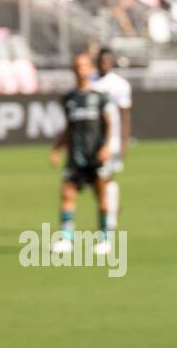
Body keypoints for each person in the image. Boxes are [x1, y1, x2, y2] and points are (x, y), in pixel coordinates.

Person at [49, 53, 115, 256]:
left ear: (90, 69)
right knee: (67, 193)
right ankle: (67, 238)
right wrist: (57, 149)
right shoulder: (69, 98)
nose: (80, 69)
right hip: (76, 155)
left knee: (101, 195)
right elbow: (69, 127)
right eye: (77, 65)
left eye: (84, 65)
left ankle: (105, 237)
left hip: (95, 154)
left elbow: (109, 123)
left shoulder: (100, 96)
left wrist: (106, 147)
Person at [91, 48, 132, 243]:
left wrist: (124, 140)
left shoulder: (119, 85)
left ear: (112, 63)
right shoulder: (90, 81)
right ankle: (112, 210)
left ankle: (110, 219)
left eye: (107, 61)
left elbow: (124, 114)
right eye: (101, 61)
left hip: (111, 137)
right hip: (92, 137)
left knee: (107, 176)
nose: (103, 64)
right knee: (102, 179)